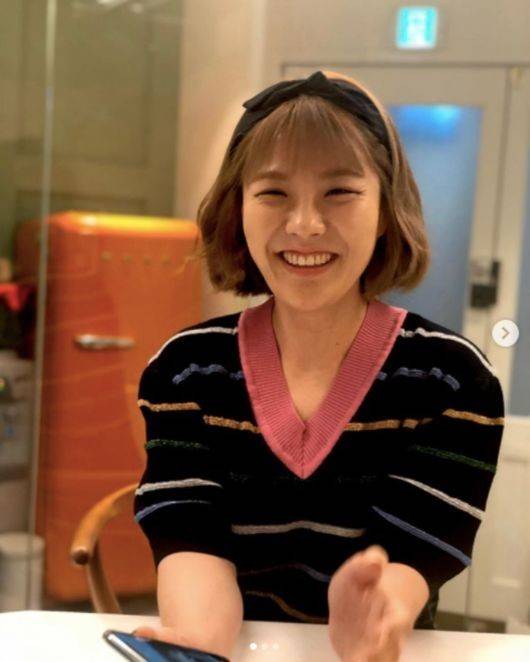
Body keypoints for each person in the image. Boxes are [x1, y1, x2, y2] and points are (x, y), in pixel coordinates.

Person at [132, 70, 505, 661]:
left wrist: (375, 619)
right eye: (273, 193)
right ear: (238, 208)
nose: (304, 225)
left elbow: (421, 542)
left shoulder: (453, 380)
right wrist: (201, 644)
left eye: (339, 192)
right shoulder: (184, 372)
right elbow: (189, 529)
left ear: (386, 210)